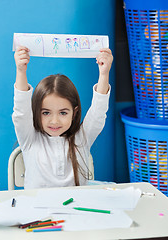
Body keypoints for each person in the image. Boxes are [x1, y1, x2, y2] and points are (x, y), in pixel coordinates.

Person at [13, 46, 113, 189]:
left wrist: (104, 74)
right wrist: (21, 71)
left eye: (63, 113)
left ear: (75, 112)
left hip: (76, 209)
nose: (54, 121)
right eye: (46, 113)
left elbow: (98, 112)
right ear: (35, 112)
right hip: (38, 209)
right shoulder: (30, 139)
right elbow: (21, 112)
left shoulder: (82, 139)